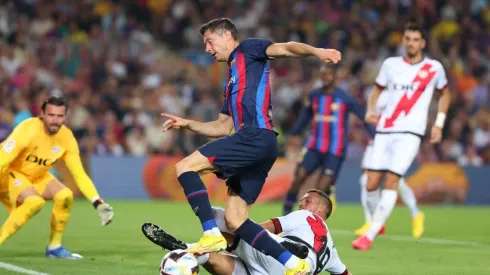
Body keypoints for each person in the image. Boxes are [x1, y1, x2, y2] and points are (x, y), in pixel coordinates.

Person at [161, 17, 341, 274]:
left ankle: (210, 232)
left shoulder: (248, 49)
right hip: (261, 143)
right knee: (235, 220)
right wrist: (187, 123)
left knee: (184, 167)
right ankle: (293, 264)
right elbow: (223, 127)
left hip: (255, 137)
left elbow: (287, 48)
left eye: (209, 42)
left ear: (226, 36)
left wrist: (317, 51)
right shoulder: (232, 80)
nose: (207, 49)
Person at [352, 22, 450, 250]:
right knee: (370, 183)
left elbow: (445, 94)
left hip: (410, 132)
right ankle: (378, 221)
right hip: (385, 130)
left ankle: (371, 232)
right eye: (408, 38)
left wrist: (439, 123)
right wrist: (369, 110)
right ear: (403, 41)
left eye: (416, 39)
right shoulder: (390, 65)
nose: (411, 43)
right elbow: (377, 89)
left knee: (393, 180)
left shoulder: (434, 68)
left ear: (423, 43)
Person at [0, 96, 114, 258]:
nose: (55, 120)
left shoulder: (66, 139)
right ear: (42, 115)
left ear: (65, 118)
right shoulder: (28, 130)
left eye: (60, 116)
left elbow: (79, 174)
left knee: (65, 195)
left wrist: (97, 202)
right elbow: (3, 159)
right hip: (8, 172)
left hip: (37, 176)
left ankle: (54, 247)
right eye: (51, 115)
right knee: (35, 202)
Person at [144, 189, 351, 275]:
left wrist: (233, 239)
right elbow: (343, 273)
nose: (301, 202)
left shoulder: (308, 216)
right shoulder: (331, 251)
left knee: (222, 217)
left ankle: (189, 247)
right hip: (293, 269)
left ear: (321, 210)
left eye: (308, 200)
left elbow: (257, 230)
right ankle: (191, 256)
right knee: (217, 260)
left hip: (285, 260)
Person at [282, 64, 375, 215]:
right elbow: (305, 117)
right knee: (299, 177)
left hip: (335, 151)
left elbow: (363, 116)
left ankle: (309, 218)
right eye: (324, 74)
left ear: (335, 77)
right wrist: (294, 133)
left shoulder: (345, 98)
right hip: (314, 147)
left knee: (319, 190)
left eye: (330, 74)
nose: (327, 78)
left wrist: (375, 135)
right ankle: (286, 212)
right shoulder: (314, 96)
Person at [355, 90, 424, 238]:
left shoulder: (402, 93)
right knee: (365, 181)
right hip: (376, 142)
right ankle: (370, 221)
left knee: (397, 182)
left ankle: (416, 214)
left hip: (393, 143)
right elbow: (368, 118)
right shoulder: (373, 95)